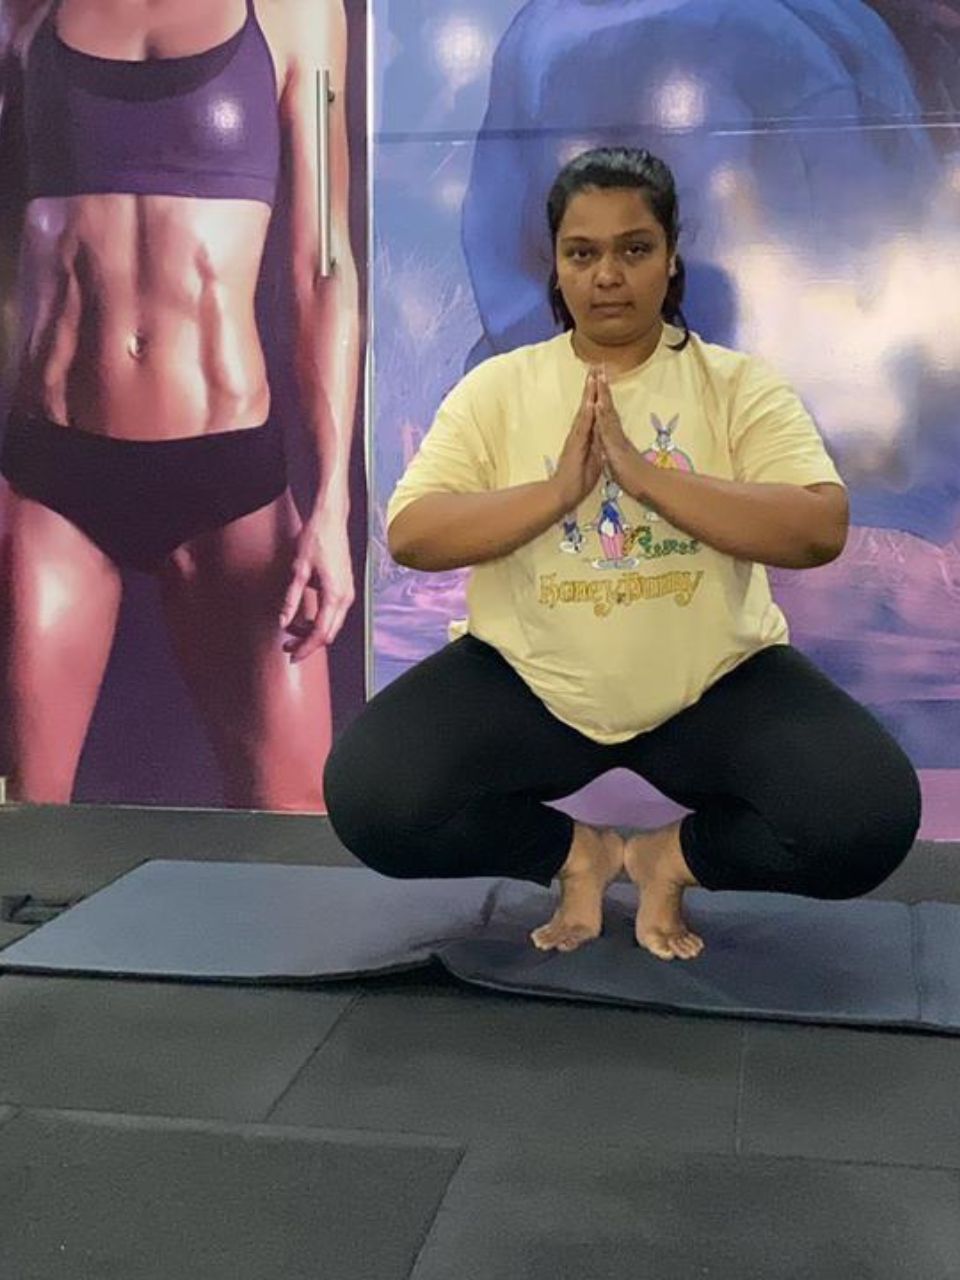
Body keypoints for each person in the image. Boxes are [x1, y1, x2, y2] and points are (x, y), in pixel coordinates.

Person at [325, 146, 921, 962]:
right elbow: (414, 532)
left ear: (670, 258)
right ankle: (581, 856)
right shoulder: (499, 388)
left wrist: (646, 479)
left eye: (634, 249)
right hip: (533, 684)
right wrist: (558, 493)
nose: (608, 275)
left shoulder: (738, 386)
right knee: (372, 800)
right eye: (583, 253)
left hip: (711, 684)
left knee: (867, 819)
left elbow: (819, 527)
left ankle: (666, 860)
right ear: (557, 266)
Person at [0, 0, 359, 810]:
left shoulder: (299, 14)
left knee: (294, 818)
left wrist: (333, 503)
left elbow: (325, 264)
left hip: (226, 477)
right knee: (24, 818)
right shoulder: (27, 11)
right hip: (53, 472)